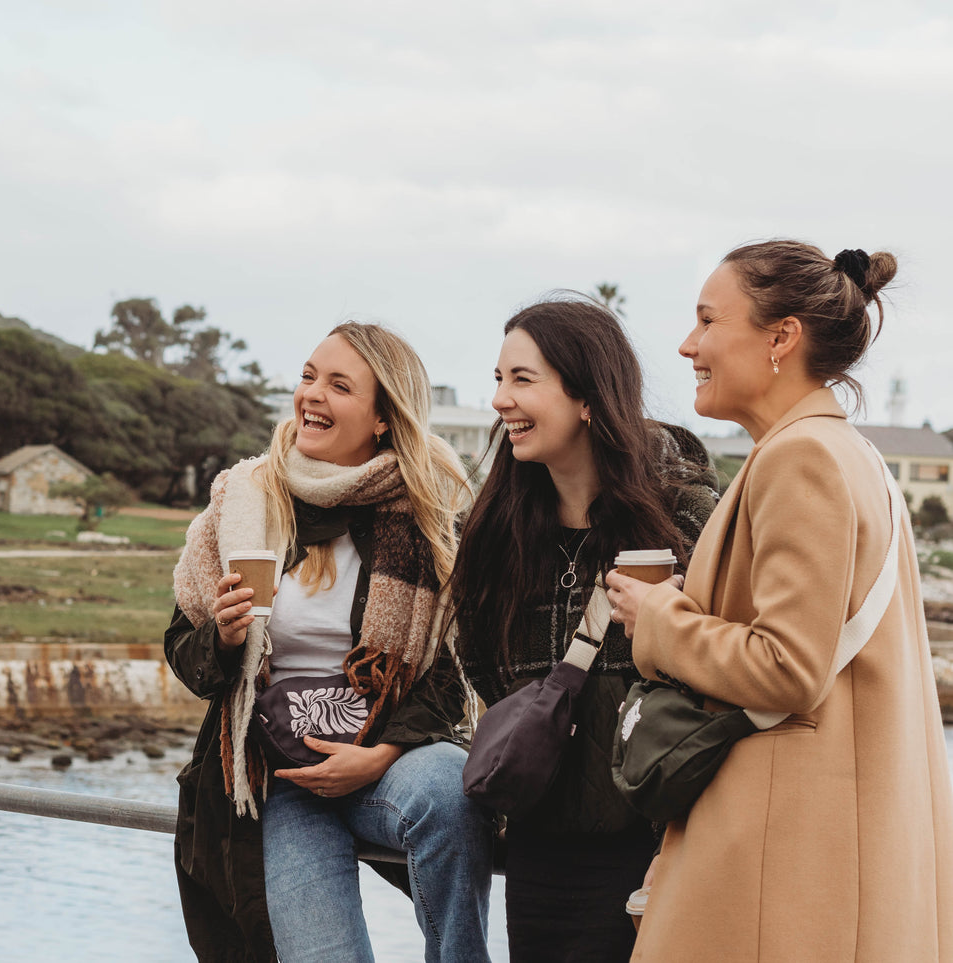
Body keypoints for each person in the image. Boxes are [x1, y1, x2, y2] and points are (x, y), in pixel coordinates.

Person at [607, 243, 953, 961]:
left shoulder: (801, 459)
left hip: (781, 864)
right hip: (822, 856)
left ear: (779, 336)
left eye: (706, 320)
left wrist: (659, 618)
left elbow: (787, 667)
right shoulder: (846, 455)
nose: (687, 344)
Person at [165, 321, 494, 963]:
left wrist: (380, 752)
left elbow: (458, 666)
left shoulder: (432, 513)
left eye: (339, 385)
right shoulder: (244, 499)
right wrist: (225, 637)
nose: (312, 395)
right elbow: (185, 650)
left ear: (381, 417)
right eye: (309, 376)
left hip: (388, 759)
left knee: (452, 787)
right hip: (282, 775)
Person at [446, 296, 718, 962]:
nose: (498, 400)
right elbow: (480, 662)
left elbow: (721, 671)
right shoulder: (494, 531)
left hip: (655, 841)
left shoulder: (680, 515)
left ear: (588, 396)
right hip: (541, 840)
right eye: (497, 378)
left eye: (521, 379)